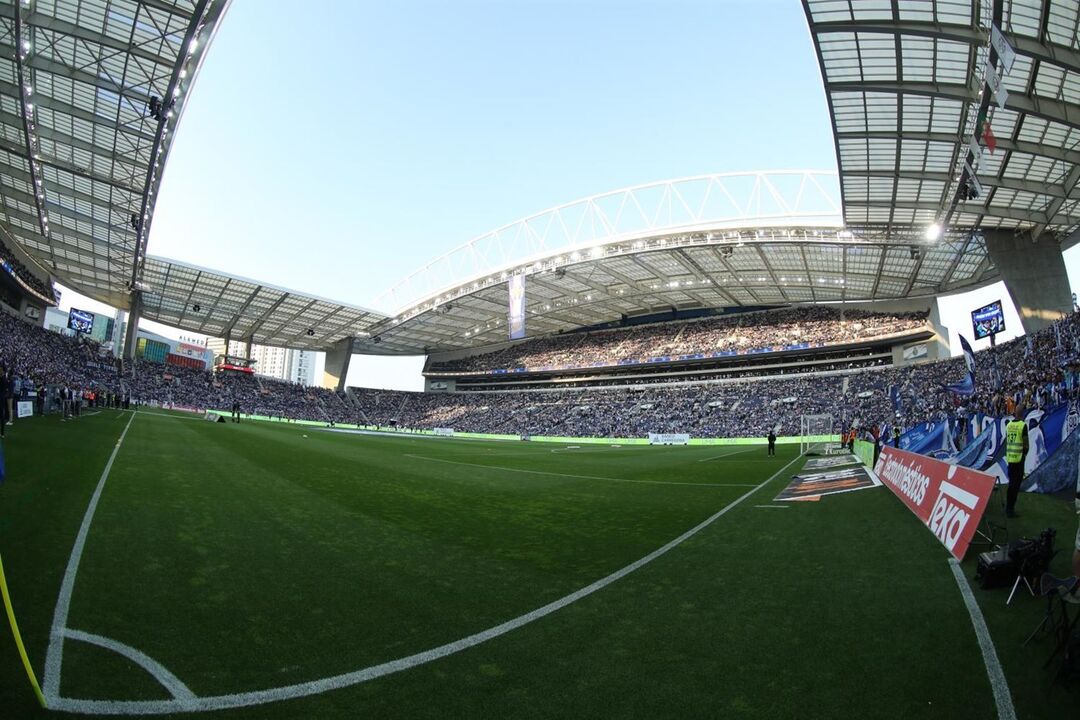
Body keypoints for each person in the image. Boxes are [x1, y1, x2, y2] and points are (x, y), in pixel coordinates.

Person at [1004, 410, 1029, 519]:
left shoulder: (1009, 425)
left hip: (1010, 458)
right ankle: (1010, 509)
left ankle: (1008, 506)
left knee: (1011, 484)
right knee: (1015, 484)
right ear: (1022, 414)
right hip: (1019, 458)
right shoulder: (1022, 425)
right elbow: (1026, 443)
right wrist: (1025, 453)